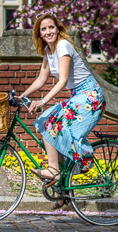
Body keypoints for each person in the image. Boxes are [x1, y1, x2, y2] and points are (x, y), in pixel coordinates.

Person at [19, 13, 106, 208]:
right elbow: (41, 79)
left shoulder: (63, 46)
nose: (48, 31)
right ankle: (64, 190)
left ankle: (56, 169)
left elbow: (63, 80)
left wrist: (42, 101)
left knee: (51, 122)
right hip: (79, 96)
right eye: (43, 29)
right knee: (49, 128)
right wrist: (21, 96)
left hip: (91, 96)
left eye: (51, 27)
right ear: (39, 34)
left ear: (57, 29)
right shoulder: (48, 52)